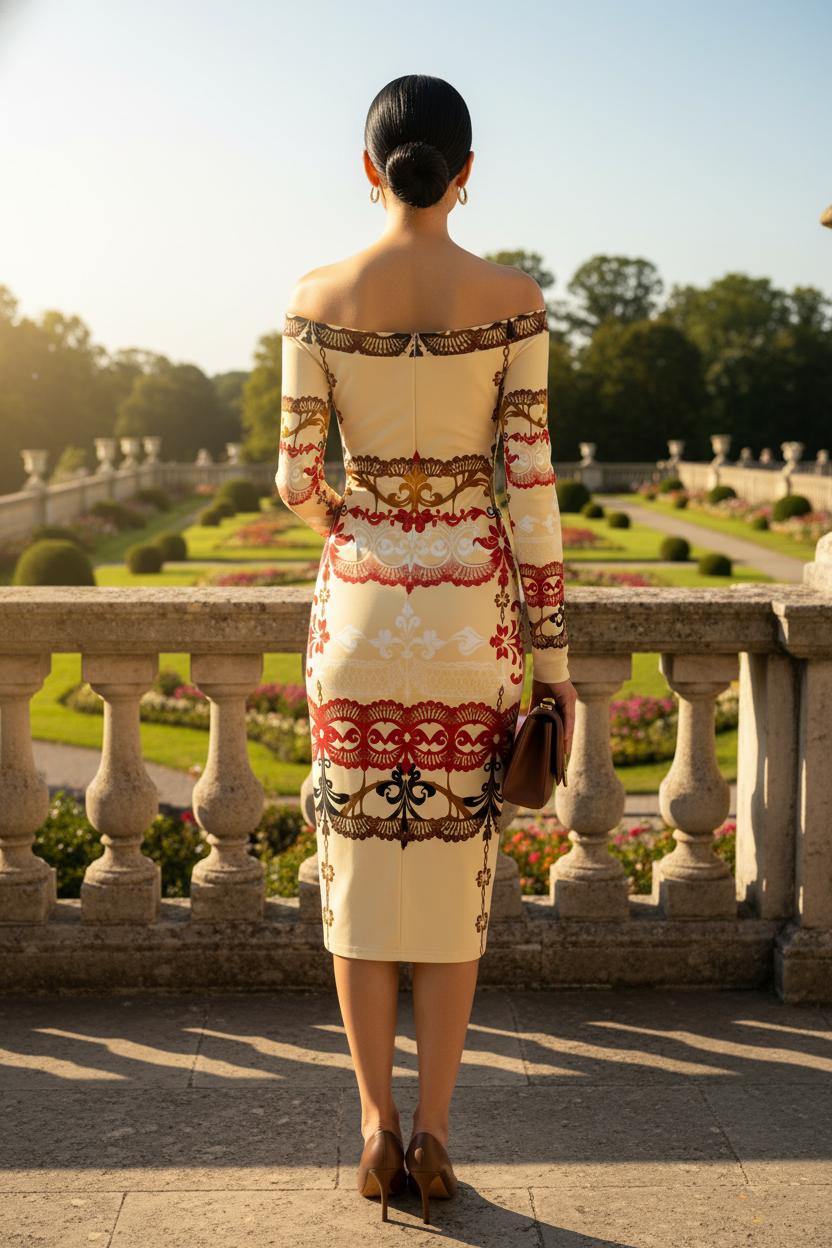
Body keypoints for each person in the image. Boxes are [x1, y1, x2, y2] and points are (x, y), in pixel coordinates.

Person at [275, 73, 576, 1225]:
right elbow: (533, 495)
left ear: (369, 169)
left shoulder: (315, 295)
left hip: (356, 617)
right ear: (464, 173)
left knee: (356, 877)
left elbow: (297, 481)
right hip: (472, 624)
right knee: (455, 880)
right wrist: (550, 661)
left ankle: (371, 1130)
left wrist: (363, 523)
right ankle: (438, 1132)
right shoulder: (513, 299)